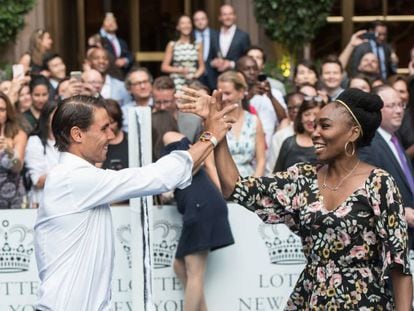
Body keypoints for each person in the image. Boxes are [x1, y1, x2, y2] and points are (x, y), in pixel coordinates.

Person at [177, 87, 413, 309]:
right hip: (311, 298)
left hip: (364, 302)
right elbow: (235, 188)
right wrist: (217, 131)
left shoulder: (379, 184)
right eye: (315, 125)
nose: (315, 132)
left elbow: (399, 267)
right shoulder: (303, 178)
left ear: (353, 132)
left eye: (325, 126)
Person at [34, 94, 236, 310]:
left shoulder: (75, 176)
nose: (111, 136)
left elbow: (166, 175)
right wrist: (210, 136)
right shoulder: (72, 178)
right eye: (103, 128)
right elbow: (158, 176)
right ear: (77, 134)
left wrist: (210, 133)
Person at [152, 110, 234, 311]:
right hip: (200, 203)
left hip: (201, 203)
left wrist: (170, 185)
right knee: (180, 266)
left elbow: (192, 163)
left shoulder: (169, 135)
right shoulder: (170, 139)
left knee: (194, 271)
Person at [359, 85, 414, 248]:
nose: (399, 111)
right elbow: (365, 190)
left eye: (401, 104)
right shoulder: (367, 143)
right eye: (391, 106)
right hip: (387, 237)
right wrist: (400, 211)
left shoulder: (394, 138)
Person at [217, 71, 266, 177]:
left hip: (250, 181)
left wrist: (253, 187)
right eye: (220, 94)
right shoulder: (215, 121)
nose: (223, 98)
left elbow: (261, 160)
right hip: (221, 182)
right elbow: (209, 164)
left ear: (241, 92)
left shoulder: (254, 121)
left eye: (227, 93)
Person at [24, 101, 59, 208]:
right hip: (42, 202)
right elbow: (38, 181)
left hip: (64, 200)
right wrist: (68, 173)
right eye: (56, 114)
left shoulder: (68, 142)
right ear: (47, 118)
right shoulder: (35, 141)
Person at [273, 98, 321, 172]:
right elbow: (277, 174)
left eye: (315, 115)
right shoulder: (288, 143)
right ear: (301, 117)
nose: (311, 119)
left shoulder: (325, 144)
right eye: (307, 114)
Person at [161, 15, 205, 90]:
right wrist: (180, 70)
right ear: (178, 27)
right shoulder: (172, 45)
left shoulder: (198, 44)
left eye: (188, 23)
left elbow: (202, 67)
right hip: (176, 83)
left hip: (192, 83)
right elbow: (164, 67)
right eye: (183, 23)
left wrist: (194, 76)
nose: (186, 25)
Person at [0, 92, 27, 209]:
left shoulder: (18, 135)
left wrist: (10, 152)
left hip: (13, 198)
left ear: (7, 113)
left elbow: (18, 167)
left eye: (1, 109)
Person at [210, 4, 251, 73]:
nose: (228, 17)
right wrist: (213, 62)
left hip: (236, 77)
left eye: (230, 14)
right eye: (224, 14)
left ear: (235, 16)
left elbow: (247, 58)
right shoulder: (213, 36)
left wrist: (231, 64)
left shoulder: (243, 36)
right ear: (220, 17)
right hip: (216, 78)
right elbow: (209, 58)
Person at [192, 10, 219, 91]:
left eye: (202, 19)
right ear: (193, 22)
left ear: (207, 20)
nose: (200, 22)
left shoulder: (217, 34)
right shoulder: (190, 35)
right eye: (197, 20)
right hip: (195, 75)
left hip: (213, 75)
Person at [101, 99, 128, 171]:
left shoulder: (130, 140)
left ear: (118, 121)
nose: (108, 127)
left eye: (111, 122)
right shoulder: (97, 143)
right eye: (104, 124)